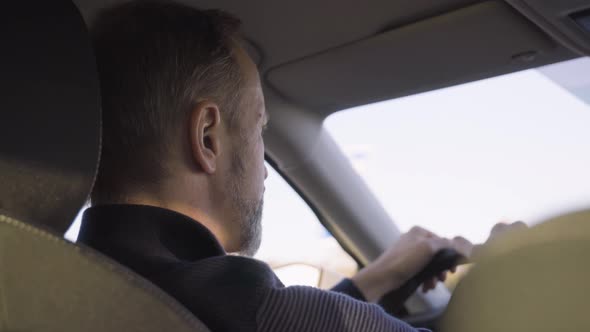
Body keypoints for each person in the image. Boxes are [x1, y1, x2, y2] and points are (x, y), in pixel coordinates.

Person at [78, 1, 523, 331]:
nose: (265, 171)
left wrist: (377, 277)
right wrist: (515, 270)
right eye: (258, 131)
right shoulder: (252, 308)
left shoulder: (48, 280)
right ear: (208, 137)